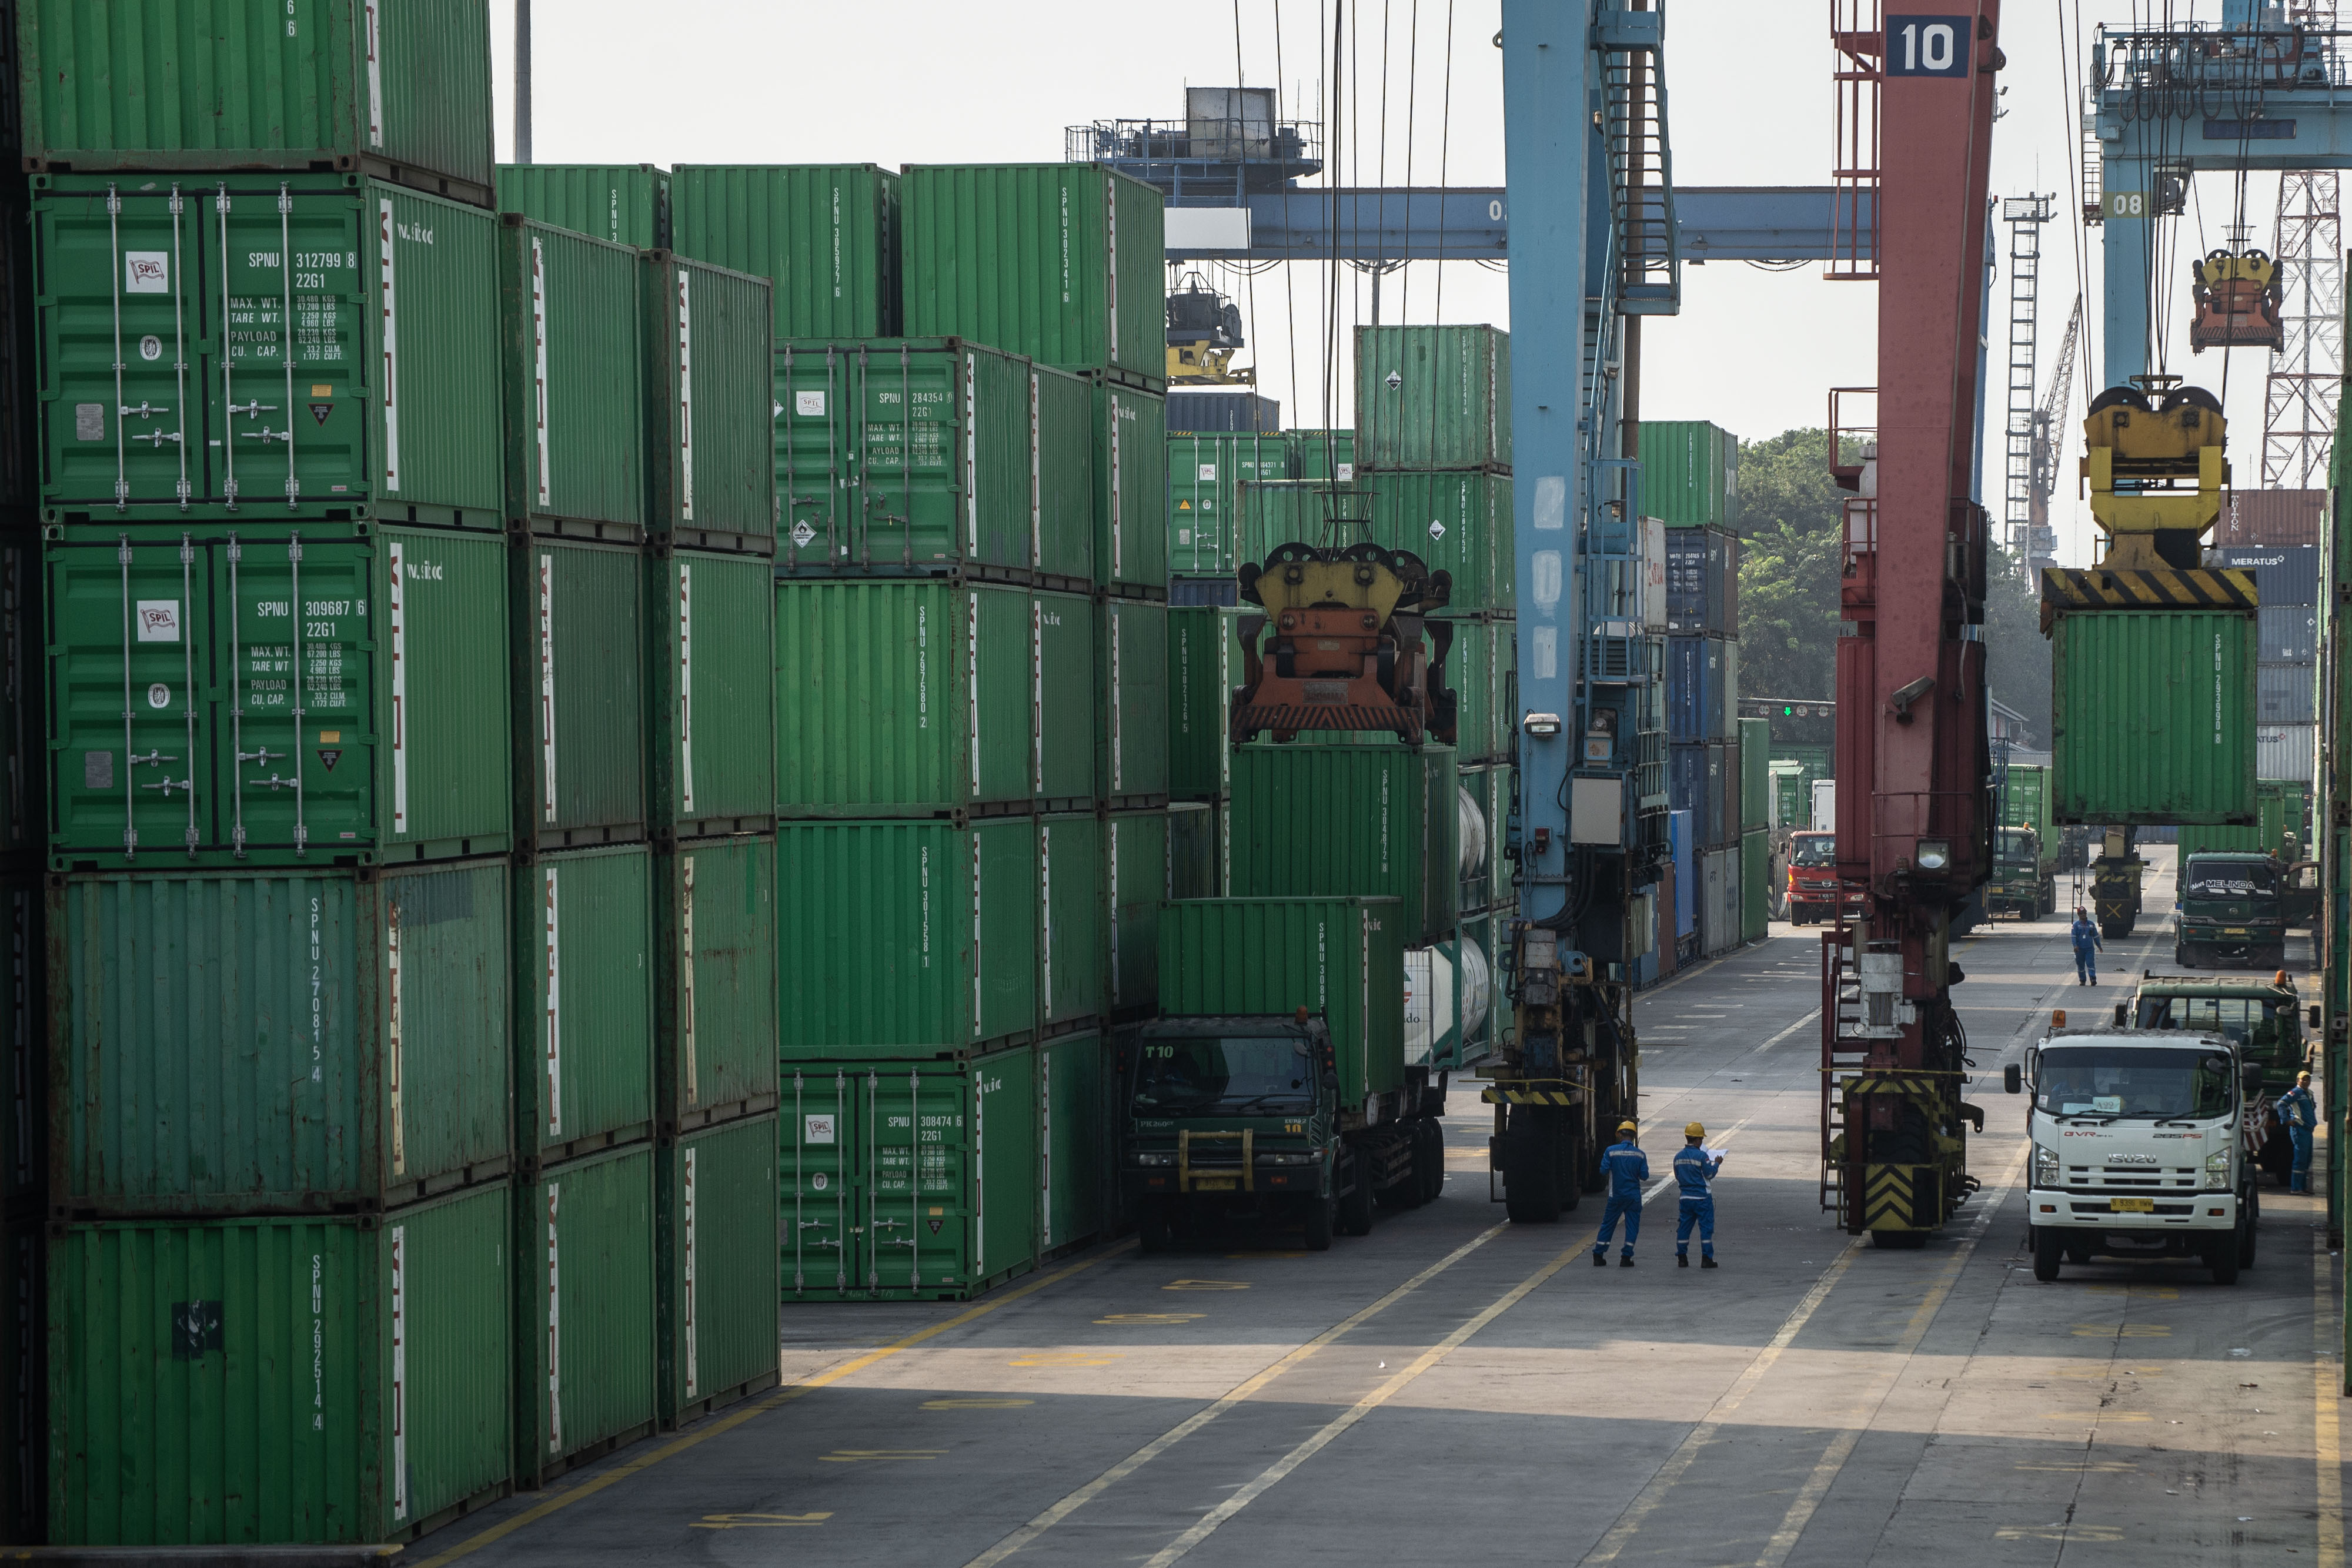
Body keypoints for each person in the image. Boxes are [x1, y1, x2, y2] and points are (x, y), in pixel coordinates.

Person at [1593, 1120, 1649, 1267]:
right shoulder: (1640, 1155)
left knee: (1608, 1225)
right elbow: (1644, 1176)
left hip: (1616, 1196)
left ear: (1619, 1135)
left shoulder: (1610, 1151)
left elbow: (1603, 1170)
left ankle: (1598, 1254)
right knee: (1632, 1227)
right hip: (1633, 1197)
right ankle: (1626, 1257)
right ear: (1634, 1136)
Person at [1673, 1122, 1725, 1268]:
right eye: (1701, 1139)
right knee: (1706, 1229)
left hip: (1685, 1198)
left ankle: (1682, 1258)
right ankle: (1706, 1259)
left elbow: (1678, 1176)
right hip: (1702, 1198)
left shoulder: (1678, 1157)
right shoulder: (1702, 1156)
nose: (1702, 1141)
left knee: (1684, 1228)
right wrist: (1717, 1164)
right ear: (1697, 1140)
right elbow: (1709, 1174)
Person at [2278, 1069, 2320, 1194]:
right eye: (2303, 1079)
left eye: (2308, 1079)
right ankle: (2296, 1188)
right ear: (2298, 1081)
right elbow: (2281, 1104)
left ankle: (2302, 1187)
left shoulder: (2308, 1093)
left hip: (2308, 1130)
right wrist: (2286, 1120)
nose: (2306, 1081)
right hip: (2299, 1129)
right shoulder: (2295, 1093)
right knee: (2300, 1159)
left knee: (2306, 1159)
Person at [2070, 907, 2103, 986]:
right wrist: (2075, 946)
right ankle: (2082, 980)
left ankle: (2093, 978)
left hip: (2089, 949)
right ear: (2078, 915)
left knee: (2090, 963)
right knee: (2080, 965)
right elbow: (2073, 937)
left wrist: (2099, 946)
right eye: (2081, 914)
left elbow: (2095, 936)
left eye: (2084, 913)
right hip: (2079, 950)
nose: (2083, 915)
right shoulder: (2076, 925)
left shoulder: (2091, 925)